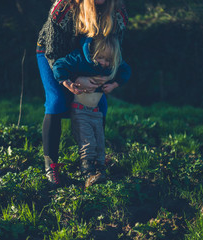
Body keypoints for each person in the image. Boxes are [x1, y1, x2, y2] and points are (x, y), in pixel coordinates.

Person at [36, 0, 128, 186]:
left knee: (99, 103)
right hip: (53, 55)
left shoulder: (118, 12)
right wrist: (70, 79)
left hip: (93, 60)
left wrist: (108, 78)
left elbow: (114, 52)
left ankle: (94, 159)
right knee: (57, 102)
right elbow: (54, 52)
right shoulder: (63, 7)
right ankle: (51, 164)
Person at [53, 36, 131, 187]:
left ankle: (100, 170)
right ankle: (87, 172)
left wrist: (114, 84)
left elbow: (125, 70)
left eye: (108, 60)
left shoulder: (109, 66)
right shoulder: (79, 58)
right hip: (80, 111)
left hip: (96, 111)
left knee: (100, 142)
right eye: (101, 58)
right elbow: (59, 65)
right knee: (87, 141)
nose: (104, 63)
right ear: (93, 52)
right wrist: (67, 83)